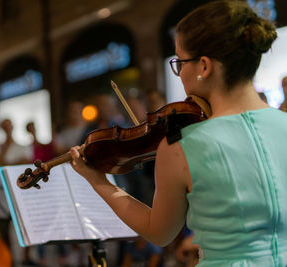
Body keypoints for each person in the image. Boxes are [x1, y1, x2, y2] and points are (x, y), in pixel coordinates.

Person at [70, 1, 287, 266]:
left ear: (204, 67)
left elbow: (159, 232)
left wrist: (98, 180)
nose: (180, 72)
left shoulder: (183, 146)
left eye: (180, 62)